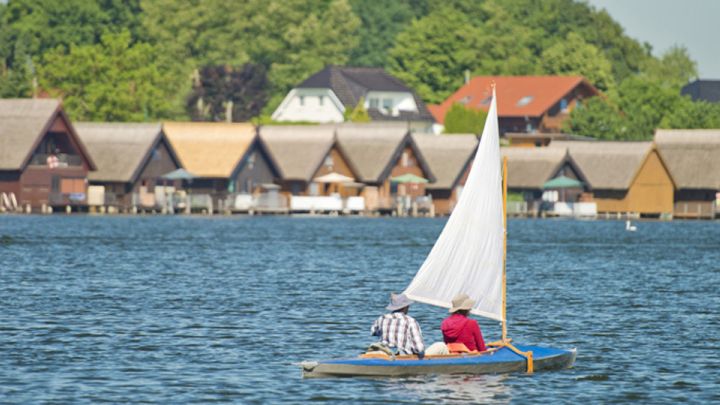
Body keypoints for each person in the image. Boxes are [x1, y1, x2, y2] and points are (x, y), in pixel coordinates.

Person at [370, 293, 425, 357]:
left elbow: (373, 331)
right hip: (402, 356)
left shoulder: (382, 318)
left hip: (384, 352)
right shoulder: (410, 321)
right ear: (405, 307)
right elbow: (419, 348)